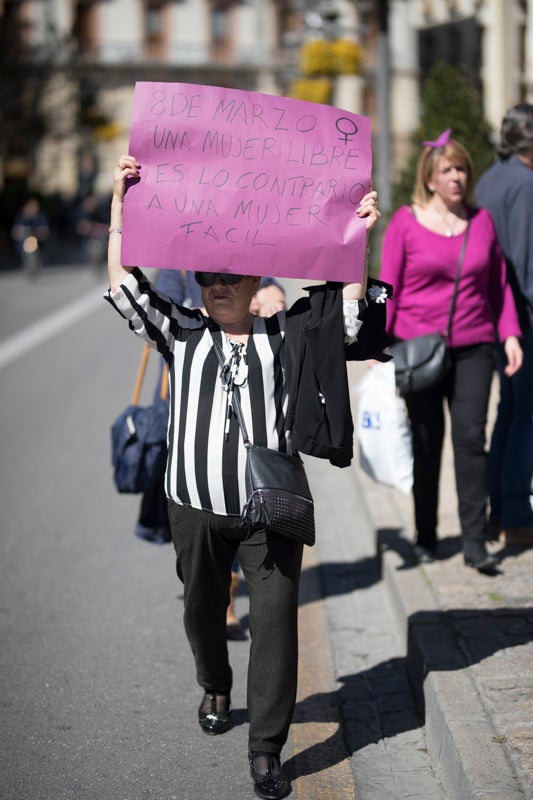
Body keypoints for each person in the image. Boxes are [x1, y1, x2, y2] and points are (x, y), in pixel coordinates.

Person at [106, 154, 381, 799]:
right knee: (203, 610)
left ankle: (266, 749)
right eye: (207, 276)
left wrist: (361, 234)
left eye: (230, 275)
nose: (217, 285)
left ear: (255, 274)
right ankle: (214, 680)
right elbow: (124, 283)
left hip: (270, 506)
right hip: (194, 506)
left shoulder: (287, 333)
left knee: (278, 620)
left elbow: (346, 314)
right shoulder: (179, 332)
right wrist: (121, 205)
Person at [379, 129, 523, 573]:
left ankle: (475, 542)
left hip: (474, 347)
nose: (457, 176)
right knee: (426, 442)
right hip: (417, 350)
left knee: (469, 440)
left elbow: (498, 284)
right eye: (448, 169)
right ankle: (425, 534)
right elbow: (389, 288)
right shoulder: (405, 221)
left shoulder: (481, 222)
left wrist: (510, 334)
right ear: (430, 177)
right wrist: (376, 344)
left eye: (462, 169)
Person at [135, 268, 287, 639]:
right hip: (188, 391)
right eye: (208, 276)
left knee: (234, 489)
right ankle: (210, 589)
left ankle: (231, 596)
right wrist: (220, 304)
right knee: (195, 495)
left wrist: (273, 293)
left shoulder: (246, 253)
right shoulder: (176, 267)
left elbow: (267, 286)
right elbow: (167, 307)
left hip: (240, 398)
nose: (218, 280)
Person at [475, 103, 533, 544]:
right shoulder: (525, 183)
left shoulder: (491, 178)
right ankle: (515, 515)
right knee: (523, 417)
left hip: (497, 316)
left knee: (509, 413)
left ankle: (499, 511)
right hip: (524, 319)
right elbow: (526, 266)